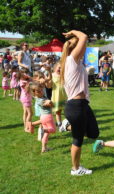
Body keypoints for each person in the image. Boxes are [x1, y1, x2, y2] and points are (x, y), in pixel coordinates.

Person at [60, 30, 99, 176]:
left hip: (82, 105)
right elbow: (84, 36)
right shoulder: (71, 60)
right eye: (82, 47)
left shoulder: (75, 63)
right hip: (75, 106)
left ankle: (67, 125)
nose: (84, 48)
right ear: (76, 48)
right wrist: (72, 32)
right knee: (78, 140)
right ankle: (75, 169)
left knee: (94, 133)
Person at [28, 83, 56, 153]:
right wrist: (50, 102)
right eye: (39, 91)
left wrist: (51, 103)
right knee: (53, 130)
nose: (41, 92)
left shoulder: (42, 96)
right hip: (47, 117)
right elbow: (50, 104)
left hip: (44, 117)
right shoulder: (40, 100)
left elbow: (52, 105)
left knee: (46, 133)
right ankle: (33, 124)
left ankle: (44, 148)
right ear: (34, 93)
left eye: (41, 90)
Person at [51, 62, 67, 130]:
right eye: (59, 68)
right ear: (55, 68)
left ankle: (67, 123)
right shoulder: (52, 75)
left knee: (67, 110)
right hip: (56, 96)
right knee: (58, 111)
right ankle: (59, 124)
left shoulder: (63, 75)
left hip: (64, 95)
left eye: (61, 68)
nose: (60, 69)